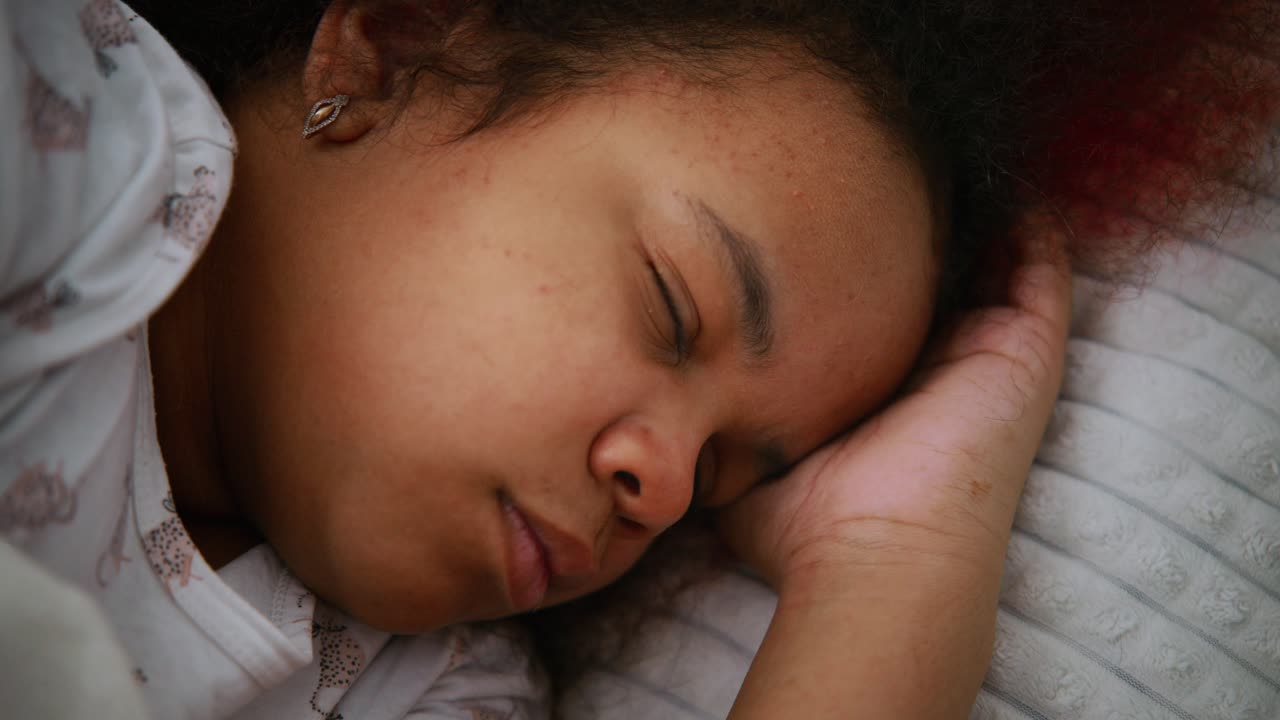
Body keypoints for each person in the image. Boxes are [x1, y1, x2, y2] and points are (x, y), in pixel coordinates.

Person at [1, 0, 1274, 718]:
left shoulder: (421, 690)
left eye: (720, 480)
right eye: (673, 309)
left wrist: (889, 564)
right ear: (397, 47)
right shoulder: (54, 122)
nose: (659, 491)